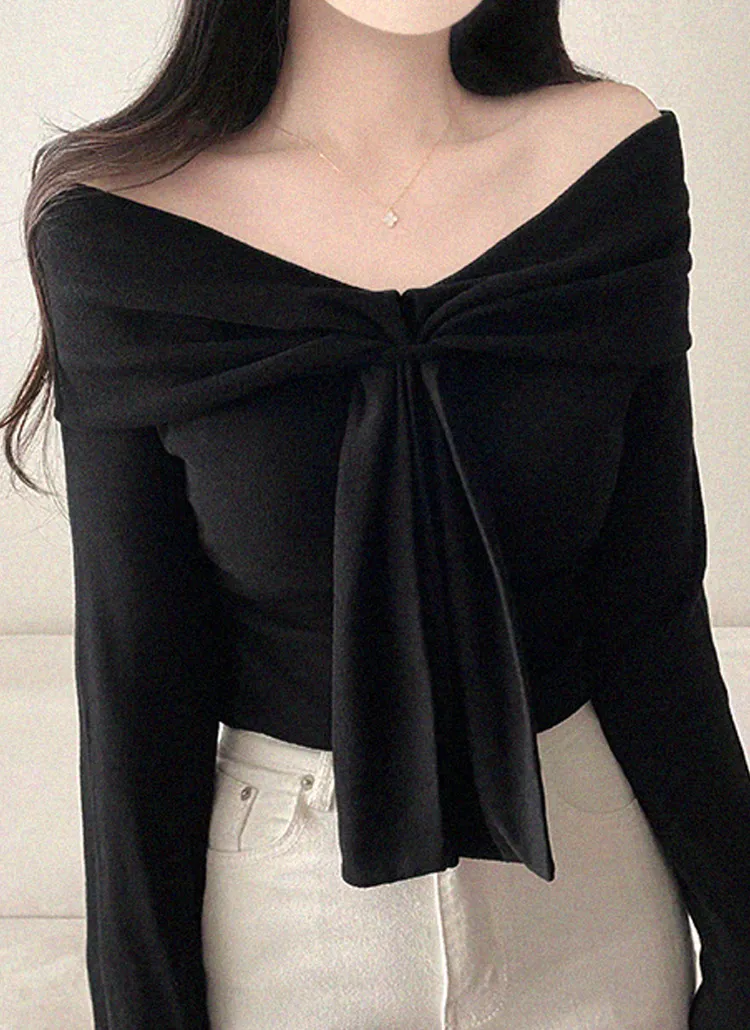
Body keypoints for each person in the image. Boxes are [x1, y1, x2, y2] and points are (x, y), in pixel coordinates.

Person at [6, 0, 750, 1027]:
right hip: (287, 916)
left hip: (596, 892)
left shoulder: (609, 161)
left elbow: (653, 615)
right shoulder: (120, 227)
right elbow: (140, 686)